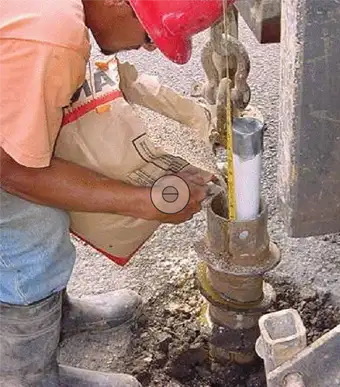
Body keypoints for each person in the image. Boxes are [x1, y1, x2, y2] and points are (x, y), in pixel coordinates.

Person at [0, 0, 230, 385]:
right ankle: (26, 375)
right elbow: (13, 173)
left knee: (50, 195)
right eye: (148, 35)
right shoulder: (54, 36)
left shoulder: (61, 17)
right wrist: (145, 202)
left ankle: (52, 316)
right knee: (29, 236)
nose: (150, 48)